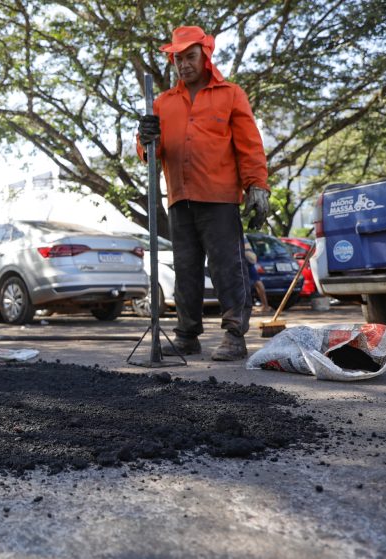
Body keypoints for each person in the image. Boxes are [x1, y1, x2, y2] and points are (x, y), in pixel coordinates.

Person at [137, 26, 270, 361]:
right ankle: (186, 336)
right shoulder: (163, 103)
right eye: (177, 59)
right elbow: (150, 153)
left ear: (205, 56)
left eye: (190, 57)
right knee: (186, 269)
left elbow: (249, 146)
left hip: (220, 196)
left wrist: (257, 185)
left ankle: (234, 335)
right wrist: (144, 137)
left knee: (228, 266)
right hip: (180, 198)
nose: (183, 64)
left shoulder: (230, 94)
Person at [244, 237, 274, 314]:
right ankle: (265, 306)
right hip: (249, 258)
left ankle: (264, 306)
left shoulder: (234, 230)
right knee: (256, 282)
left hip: (245, 258)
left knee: (251, 282)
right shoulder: (239, 230)